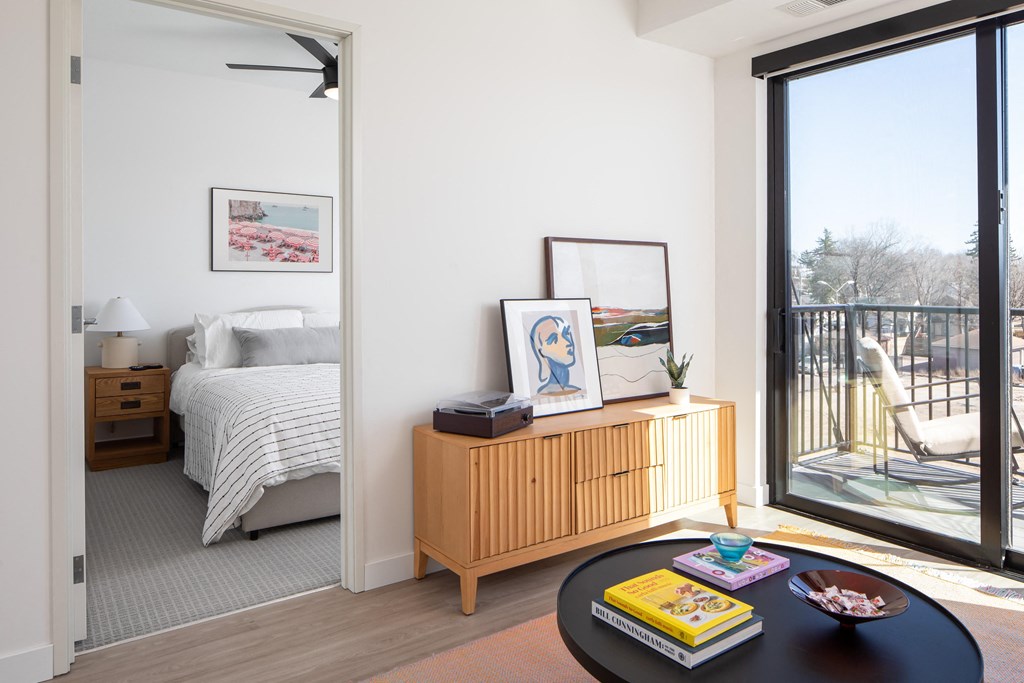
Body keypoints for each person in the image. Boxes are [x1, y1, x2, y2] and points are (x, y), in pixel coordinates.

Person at [530, 315, 581, 396]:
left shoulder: (581, 393)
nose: (568, 342)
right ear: (542, 351)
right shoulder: (541, 397)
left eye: (566, 333)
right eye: (554, 339)